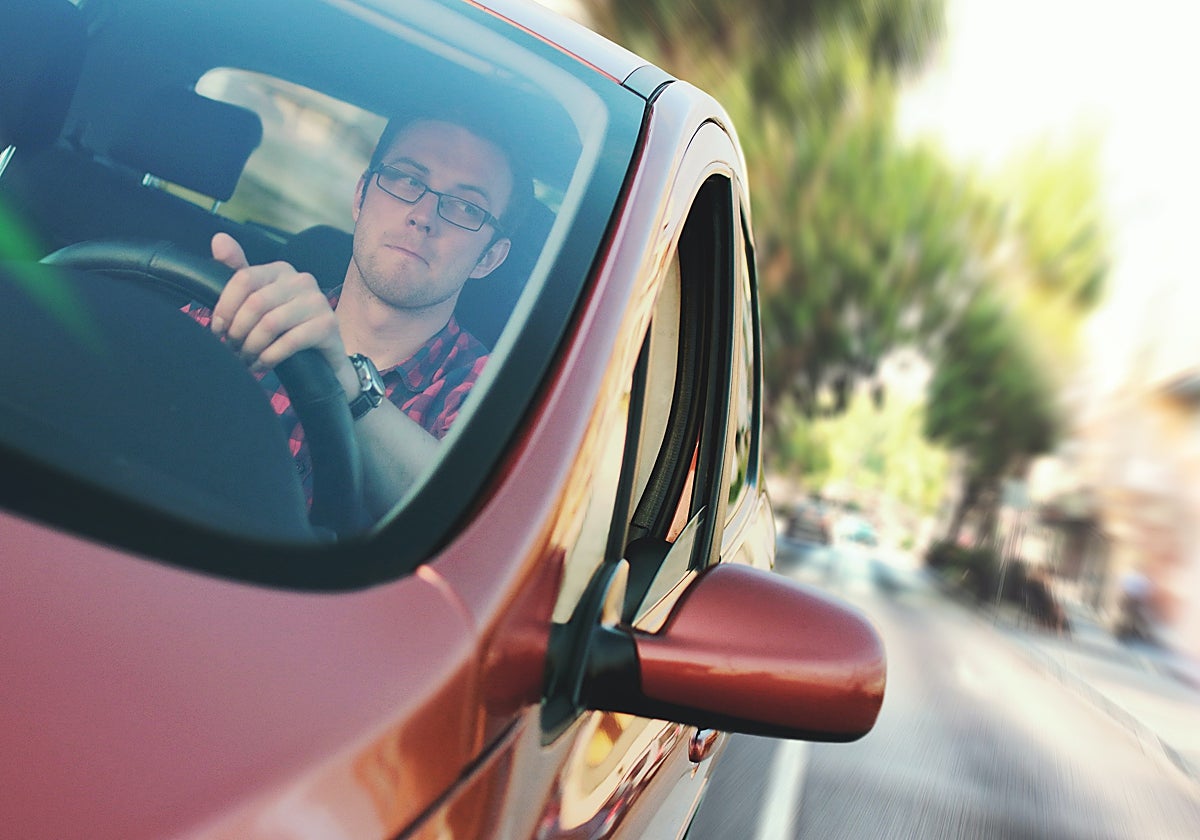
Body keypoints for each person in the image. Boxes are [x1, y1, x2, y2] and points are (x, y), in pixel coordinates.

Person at [186, 107, 530, 518]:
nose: (423, 216)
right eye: (407, 180)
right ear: (360, 196)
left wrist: (349, 386)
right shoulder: (240, 309)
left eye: (467, 208)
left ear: (489, 258)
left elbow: (468, 526)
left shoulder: (497, 400)